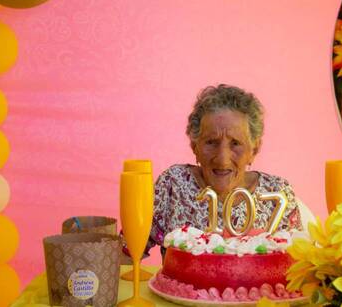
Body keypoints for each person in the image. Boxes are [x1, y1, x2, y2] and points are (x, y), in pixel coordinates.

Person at [125, 84, 302, 259]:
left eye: (235, 143)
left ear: (254, 150)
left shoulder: (277, 193)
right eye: (211, 142)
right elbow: (128, 252)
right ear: (194, 146)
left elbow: (297, 268)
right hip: (179, 289)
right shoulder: (173, 185)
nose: (222, 159)